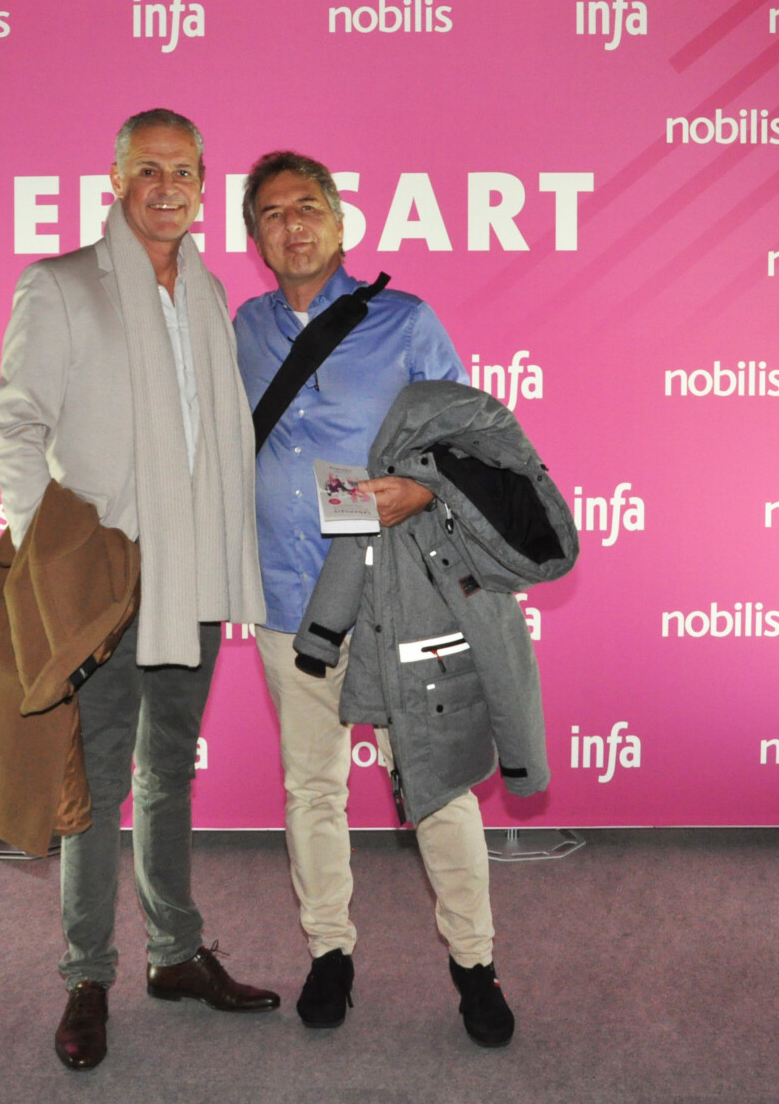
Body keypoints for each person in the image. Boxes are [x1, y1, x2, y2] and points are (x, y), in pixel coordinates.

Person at [0, 109, 279, 1072]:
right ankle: (86, 975)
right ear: (114, 178)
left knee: (168, 770)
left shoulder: (207, 290)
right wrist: (49, 553)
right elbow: (16, 425)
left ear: (203, 186)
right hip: (102, 577)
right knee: (96, 781)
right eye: (148, 169)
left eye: (183, 171)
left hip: (191, 572)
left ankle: (174, 952)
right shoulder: (62, 283)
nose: (166, 186)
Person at [233, 151, 515, 1046]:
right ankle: (329, 952)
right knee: (311, 785)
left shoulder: (406, 320)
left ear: (340, 220)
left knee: (436, 783)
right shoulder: (242, 328)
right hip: (287, 599)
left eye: (307, 207)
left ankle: (475, 965)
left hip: (399, 598)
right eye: (272, 213)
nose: (293, 224)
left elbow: (472, 443)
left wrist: (421, 489)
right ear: (255, 238)